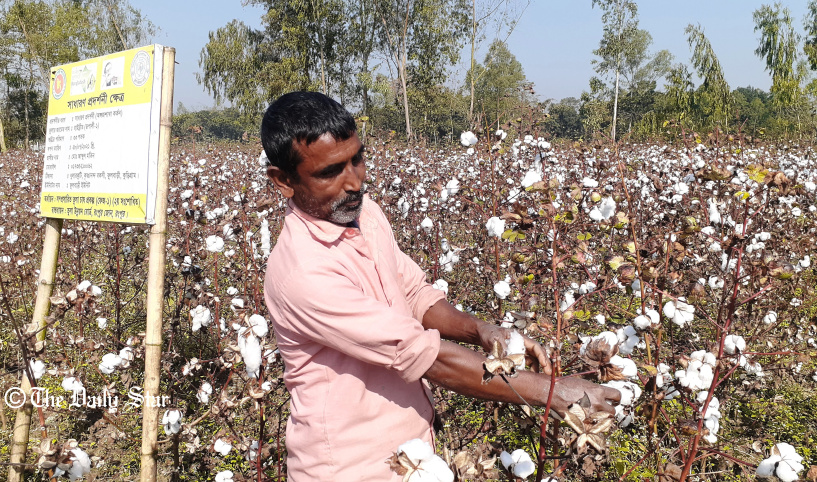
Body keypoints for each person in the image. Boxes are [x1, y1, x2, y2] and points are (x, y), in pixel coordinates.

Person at [262, 91, 620, 481]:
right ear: (283, 181)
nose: (355, 181)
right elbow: (423, 355)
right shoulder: (304, 273)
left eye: (357, 159)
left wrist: (481, 330)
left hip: (413, 449)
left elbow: (414, 294)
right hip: (351, 467)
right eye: (330, 172)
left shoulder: (366, 215)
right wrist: (553, 393)